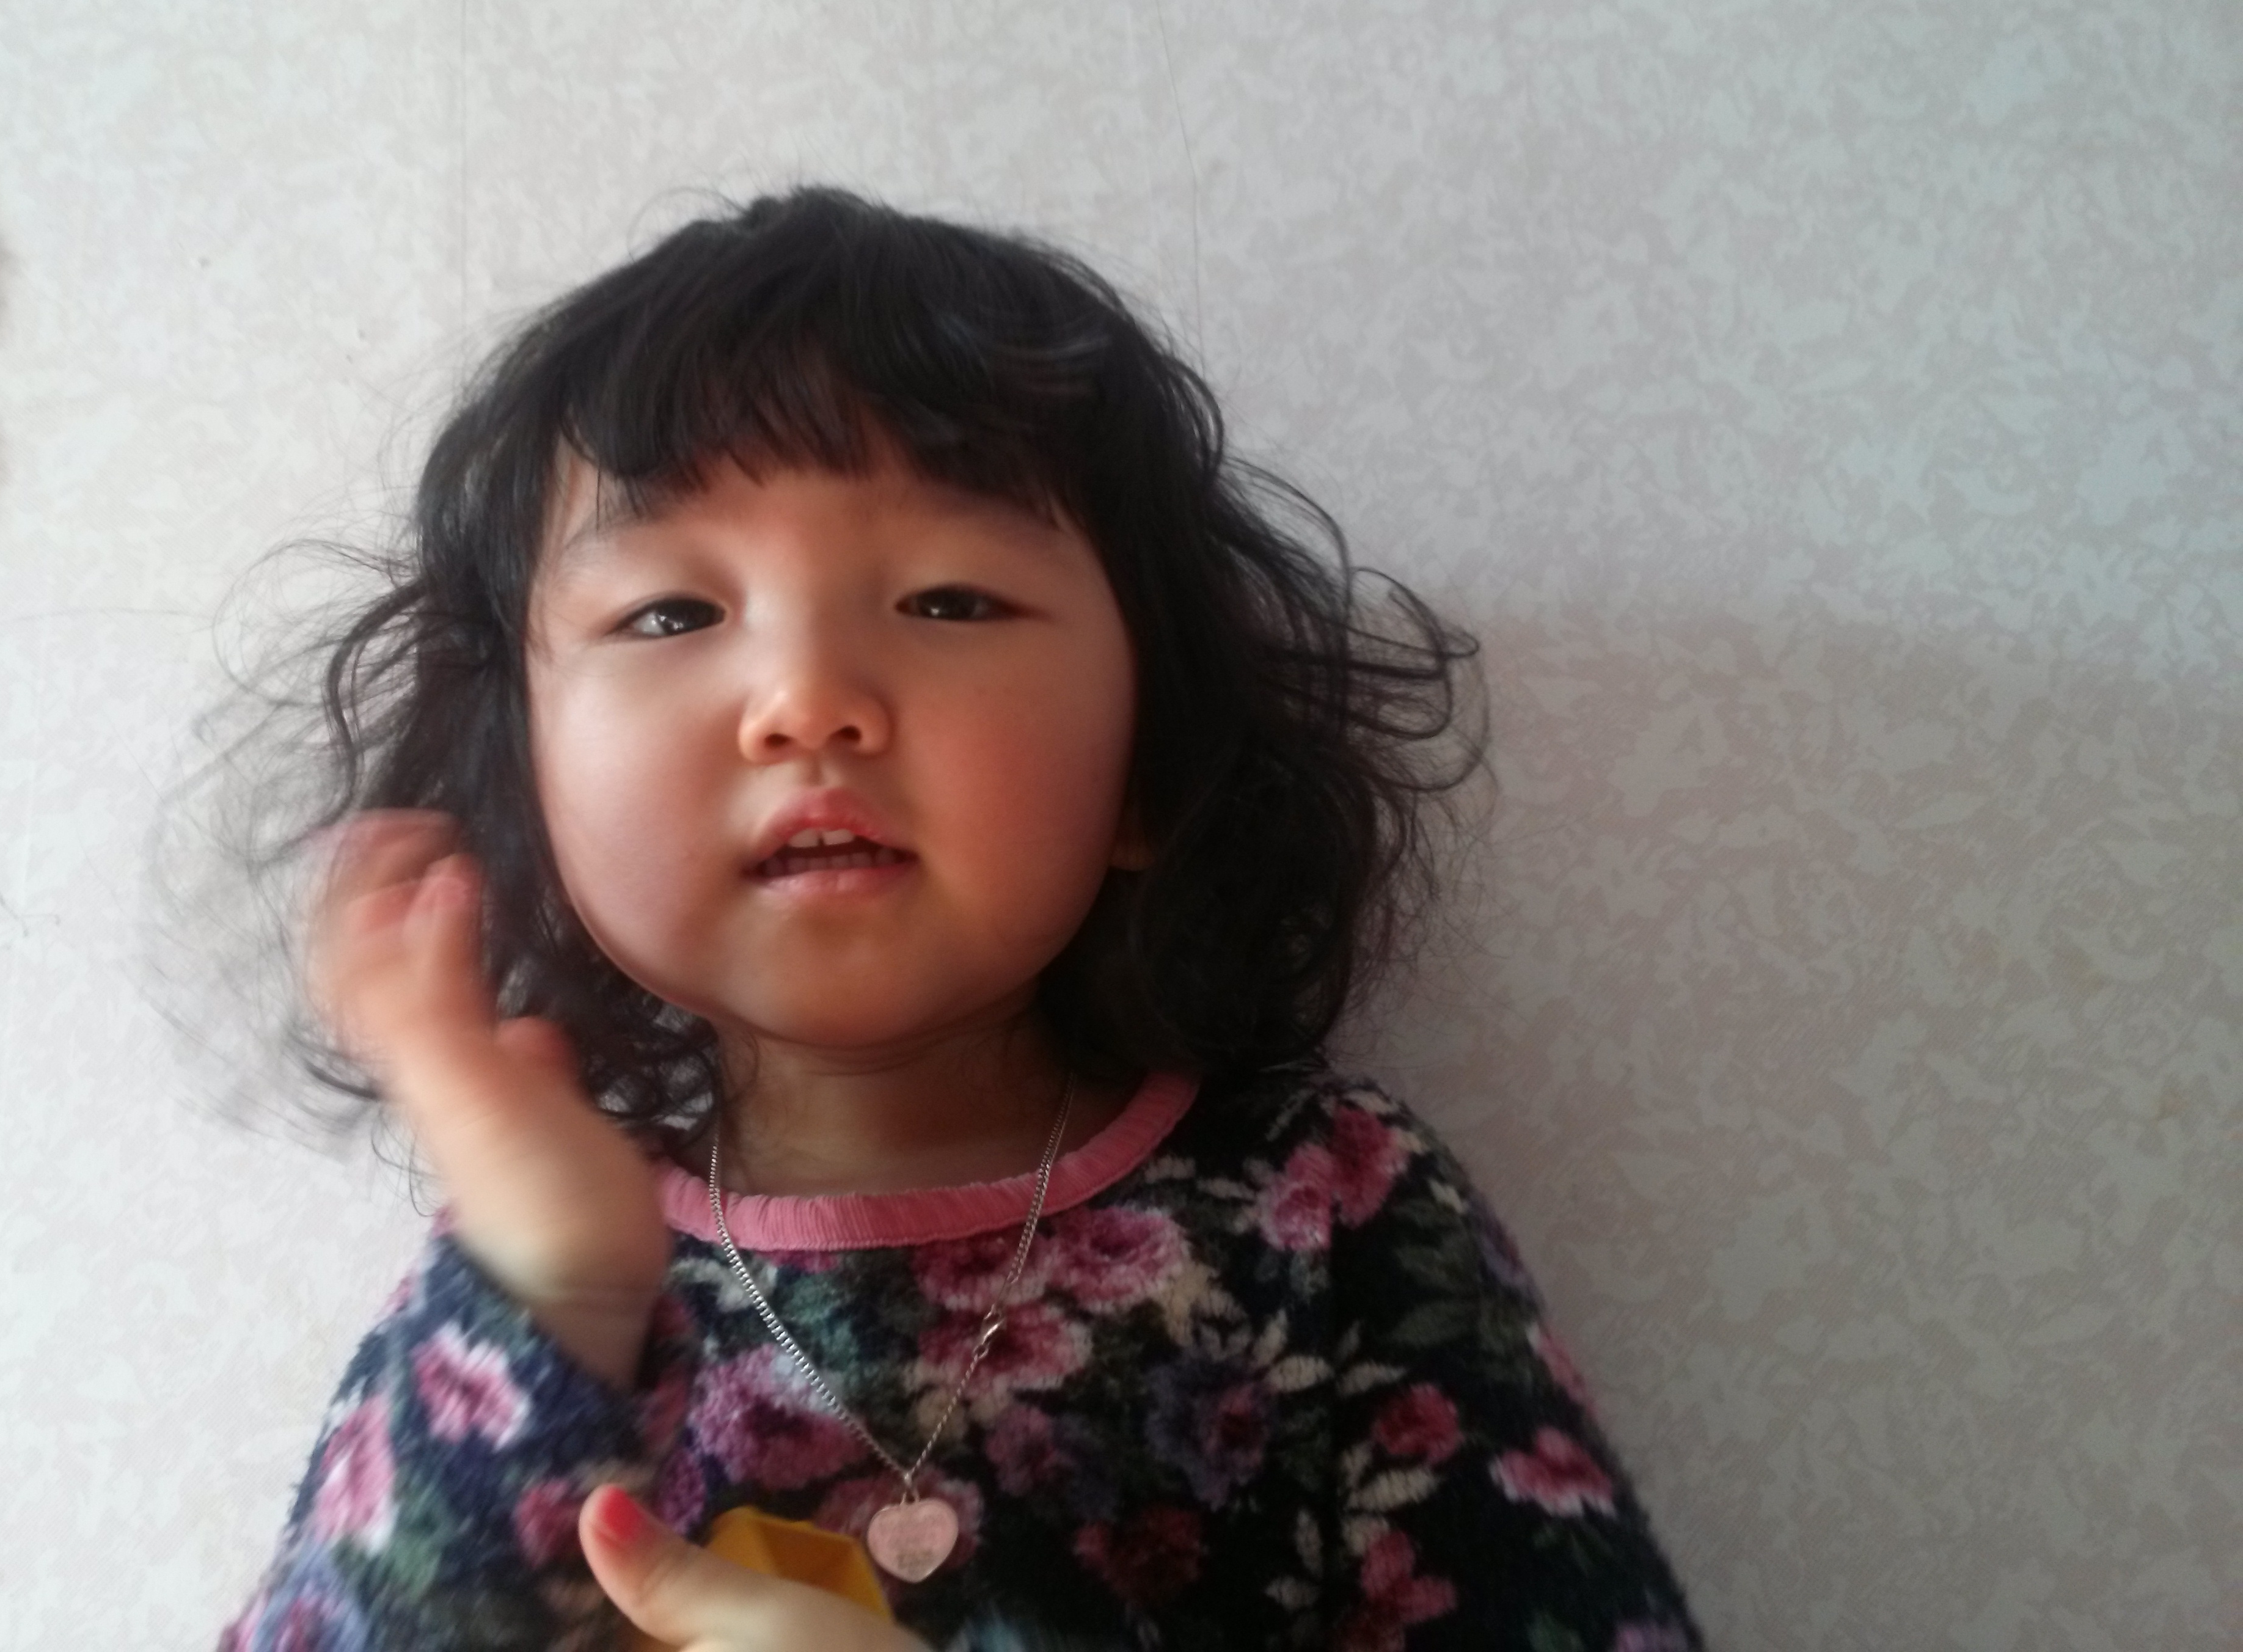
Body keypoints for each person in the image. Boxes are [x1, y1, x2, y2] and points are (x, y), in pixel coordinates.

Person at [213, 188, 1700, 1650]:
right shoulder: (519, 1265)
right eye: (670, 614)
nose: (807, 700)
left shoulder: (1329, 1205)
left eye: (947, 602)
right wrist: (553, 1291)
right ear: (531, 796)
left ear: (1148, 764)